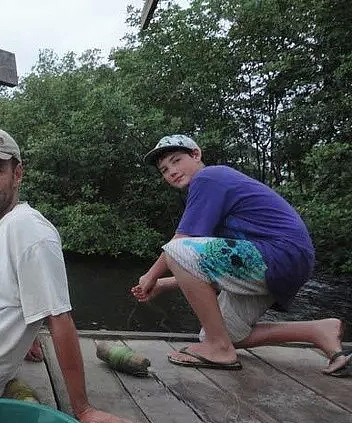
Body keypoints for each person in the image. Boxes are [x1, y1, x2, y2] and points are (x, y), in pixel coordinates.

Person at [0, 127, 147, 423]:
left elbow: (60, 319)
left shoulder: (30, 231)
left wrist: (83, 408)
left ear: (17, 173)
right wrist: (26, 332)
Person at [131, 134, 351, 377]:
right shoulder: (210, 193)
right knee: (224, 332)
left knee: (176, 249)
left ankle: (220, 349)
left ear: (196, 155)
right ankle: (317, 331)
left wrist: (150, 276)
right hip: (281, 261)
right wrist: (164, 284)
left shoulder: (209, 177)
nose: (171, 171)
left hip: (278, 253)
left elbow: (181, 245)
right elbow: (210, 267)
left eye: (176, 160)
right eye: (164, 169)